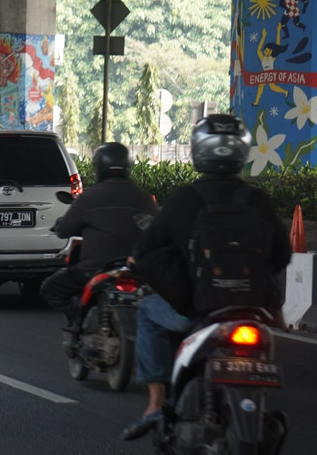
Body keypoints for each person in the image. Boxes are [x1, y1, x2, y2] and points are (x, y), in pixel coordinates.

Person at [120, 114, 292, 441]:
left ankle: (155, 403)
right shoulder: (256, 199)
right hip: (254, 310)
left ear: (199, 151)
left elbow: (147, 247)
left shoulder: (187, 198)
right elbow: (282, 253)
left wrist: (139, 261)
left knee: (146, 311)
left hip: (198, 310)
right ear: (242, 151)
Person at [39, 142, 158, 355]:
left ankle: (77, 320)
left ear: (98, 167)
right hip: (140, 271)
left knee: (51, 288)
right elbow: (158, 231)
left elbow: (64, 230)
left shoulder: (89, 197)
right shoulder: (144, 198)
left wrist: (60, 225)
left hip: (94, 270)